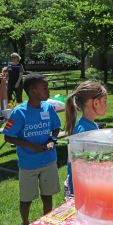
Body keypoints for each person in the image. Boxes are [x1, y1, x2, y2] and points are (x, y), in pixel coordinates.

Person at [2, 74, 61, 225]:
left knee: (47, 196)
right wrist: (31, 146)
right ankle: (25, 222)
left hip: (48, 161)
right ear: (33, 90)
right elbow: (8, 137)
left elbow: (56, 127)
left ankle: (47, 220)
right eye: (45, 88)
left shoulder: (48, 108)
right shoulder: (19, 112)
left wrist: (52, 139)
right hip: (28, 165)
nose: (48, 91)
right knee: (26, 198)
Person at [65, 80, 107, 198]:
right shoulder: (84, 132)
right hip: (83, 191)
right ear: (96, 103)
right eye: (105, 101)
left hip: (88, 186)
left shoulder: (91, 125)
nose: (106, 105)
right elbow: (80, 166)